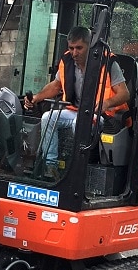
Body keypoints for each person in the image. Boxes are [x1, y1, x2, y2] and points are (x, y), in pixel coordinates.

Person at [23, 26, 130, 176]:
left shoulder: (108, 62)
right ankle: (51, 167)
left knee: (79, 123)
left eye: (79, 48)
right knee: (48, 118)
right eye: (71, 48)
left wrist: (106, 104)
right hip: (76, 111)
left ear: (90, 45)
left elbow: (124, 94)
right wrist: (35, 98)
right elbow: (56, 86)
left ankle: (76, 169)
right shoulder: (67, 61)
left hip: (104, 117)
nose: (74, 53)